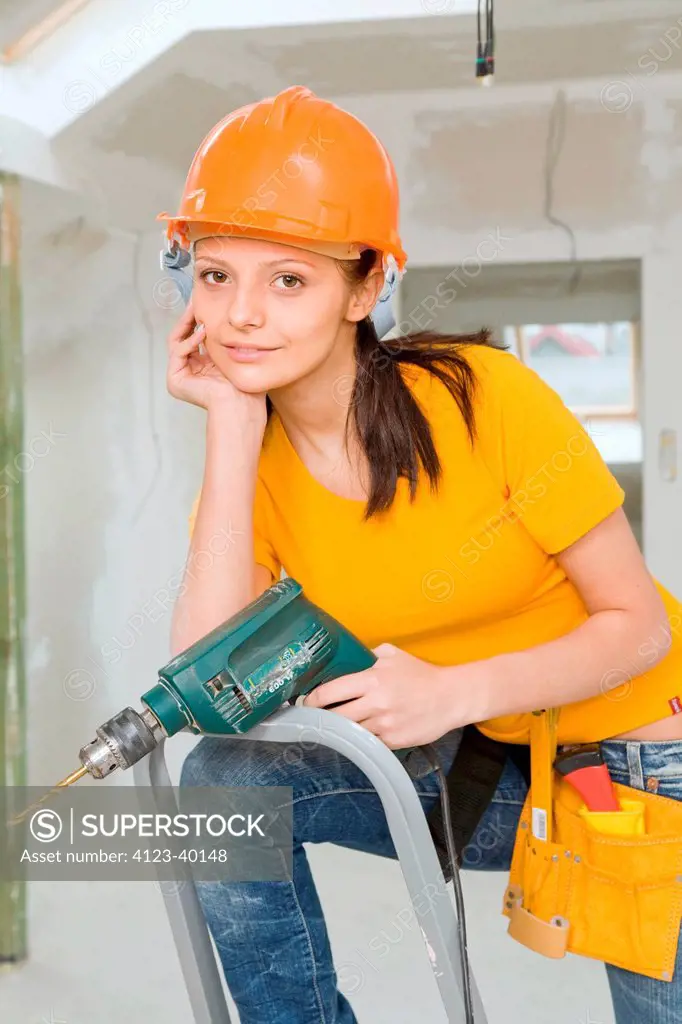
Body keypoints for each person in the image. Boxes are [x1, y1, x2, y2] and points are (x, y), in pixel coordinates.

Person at [163, 85, 682, 1024]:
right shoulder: (254, 467)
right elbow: (213, 692)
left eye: (288, 279)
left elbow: (638, 627)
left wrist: (448, 692)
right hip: (489, 766)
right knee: (224, 785)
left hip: (641, 760)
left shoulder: (487, 398)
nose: (240, 314)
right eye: (214, 275)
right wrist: (232, 427)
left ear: (366, 287)